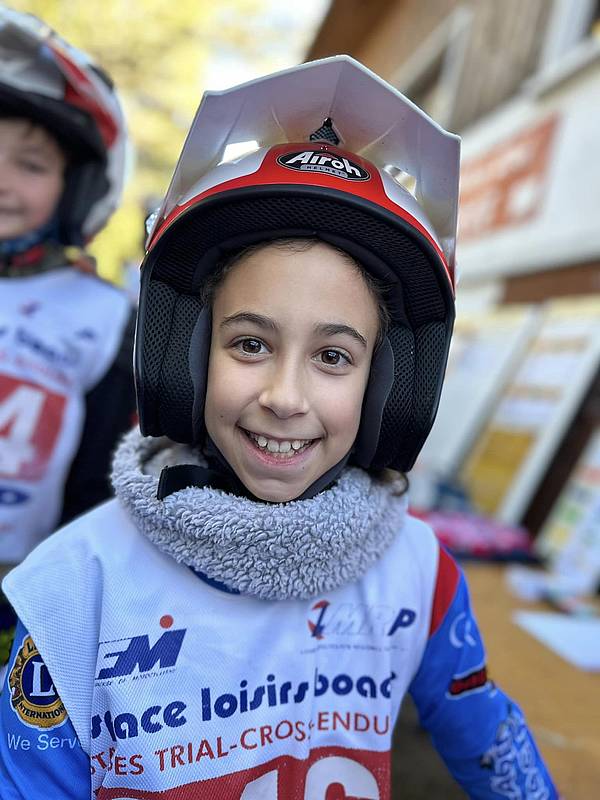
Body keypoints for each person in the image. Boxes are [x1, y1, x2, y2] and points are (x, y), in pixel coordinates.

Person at [0, 56, 558, 799]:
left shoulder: (419, 575)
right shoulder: (74, 587)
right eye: (250, 344)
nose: (285, 397)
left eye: (333, 356)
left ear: (389, 389)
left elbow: (494, 750)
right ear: (186, 356)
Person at [0, 7, 136, 628]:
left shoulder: (102, 317)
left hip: (17, 591)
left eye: (30, 165)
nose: (1, 181)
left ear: (75, 188)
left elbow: (99, 488)